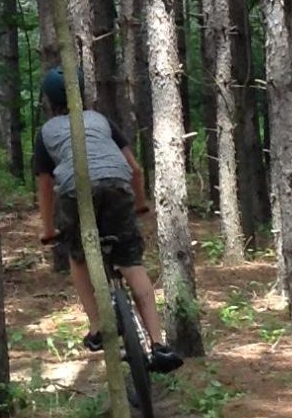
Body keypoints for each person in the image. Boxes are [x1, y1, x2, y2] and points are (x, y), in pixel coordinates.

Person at [31, 66, 183, 373]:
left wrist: (49, 231)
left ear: (49, 101)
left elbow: (46, 187)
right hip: (117, 185)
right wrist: (140, 204)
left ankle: (97, 326)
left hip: (77, 192)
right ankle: (158, 344)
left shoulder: (45, 133)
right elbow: (136, 170)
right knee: (131, 261)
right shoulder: (101, 121)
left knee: (80, 258)